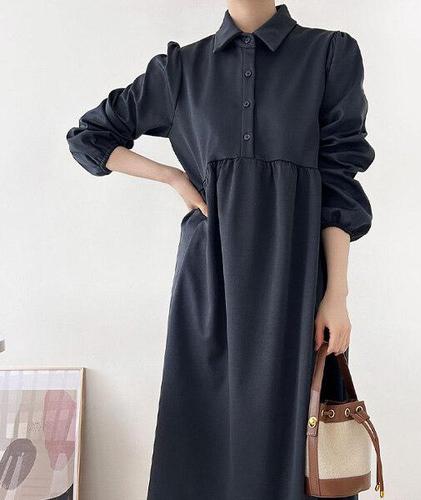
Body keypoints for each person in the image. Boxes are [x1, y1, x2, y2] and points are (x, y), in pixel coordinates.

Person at [66, 1, 374, 499]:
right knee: (205, 427)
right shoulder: (181, 69)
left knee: (293, 429)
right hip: (210, 278)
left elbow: (339, 178)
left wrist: (336, 293)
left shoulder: (328, 54)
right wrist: (171, 176)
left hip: (295, 276)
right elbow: (90, 137)